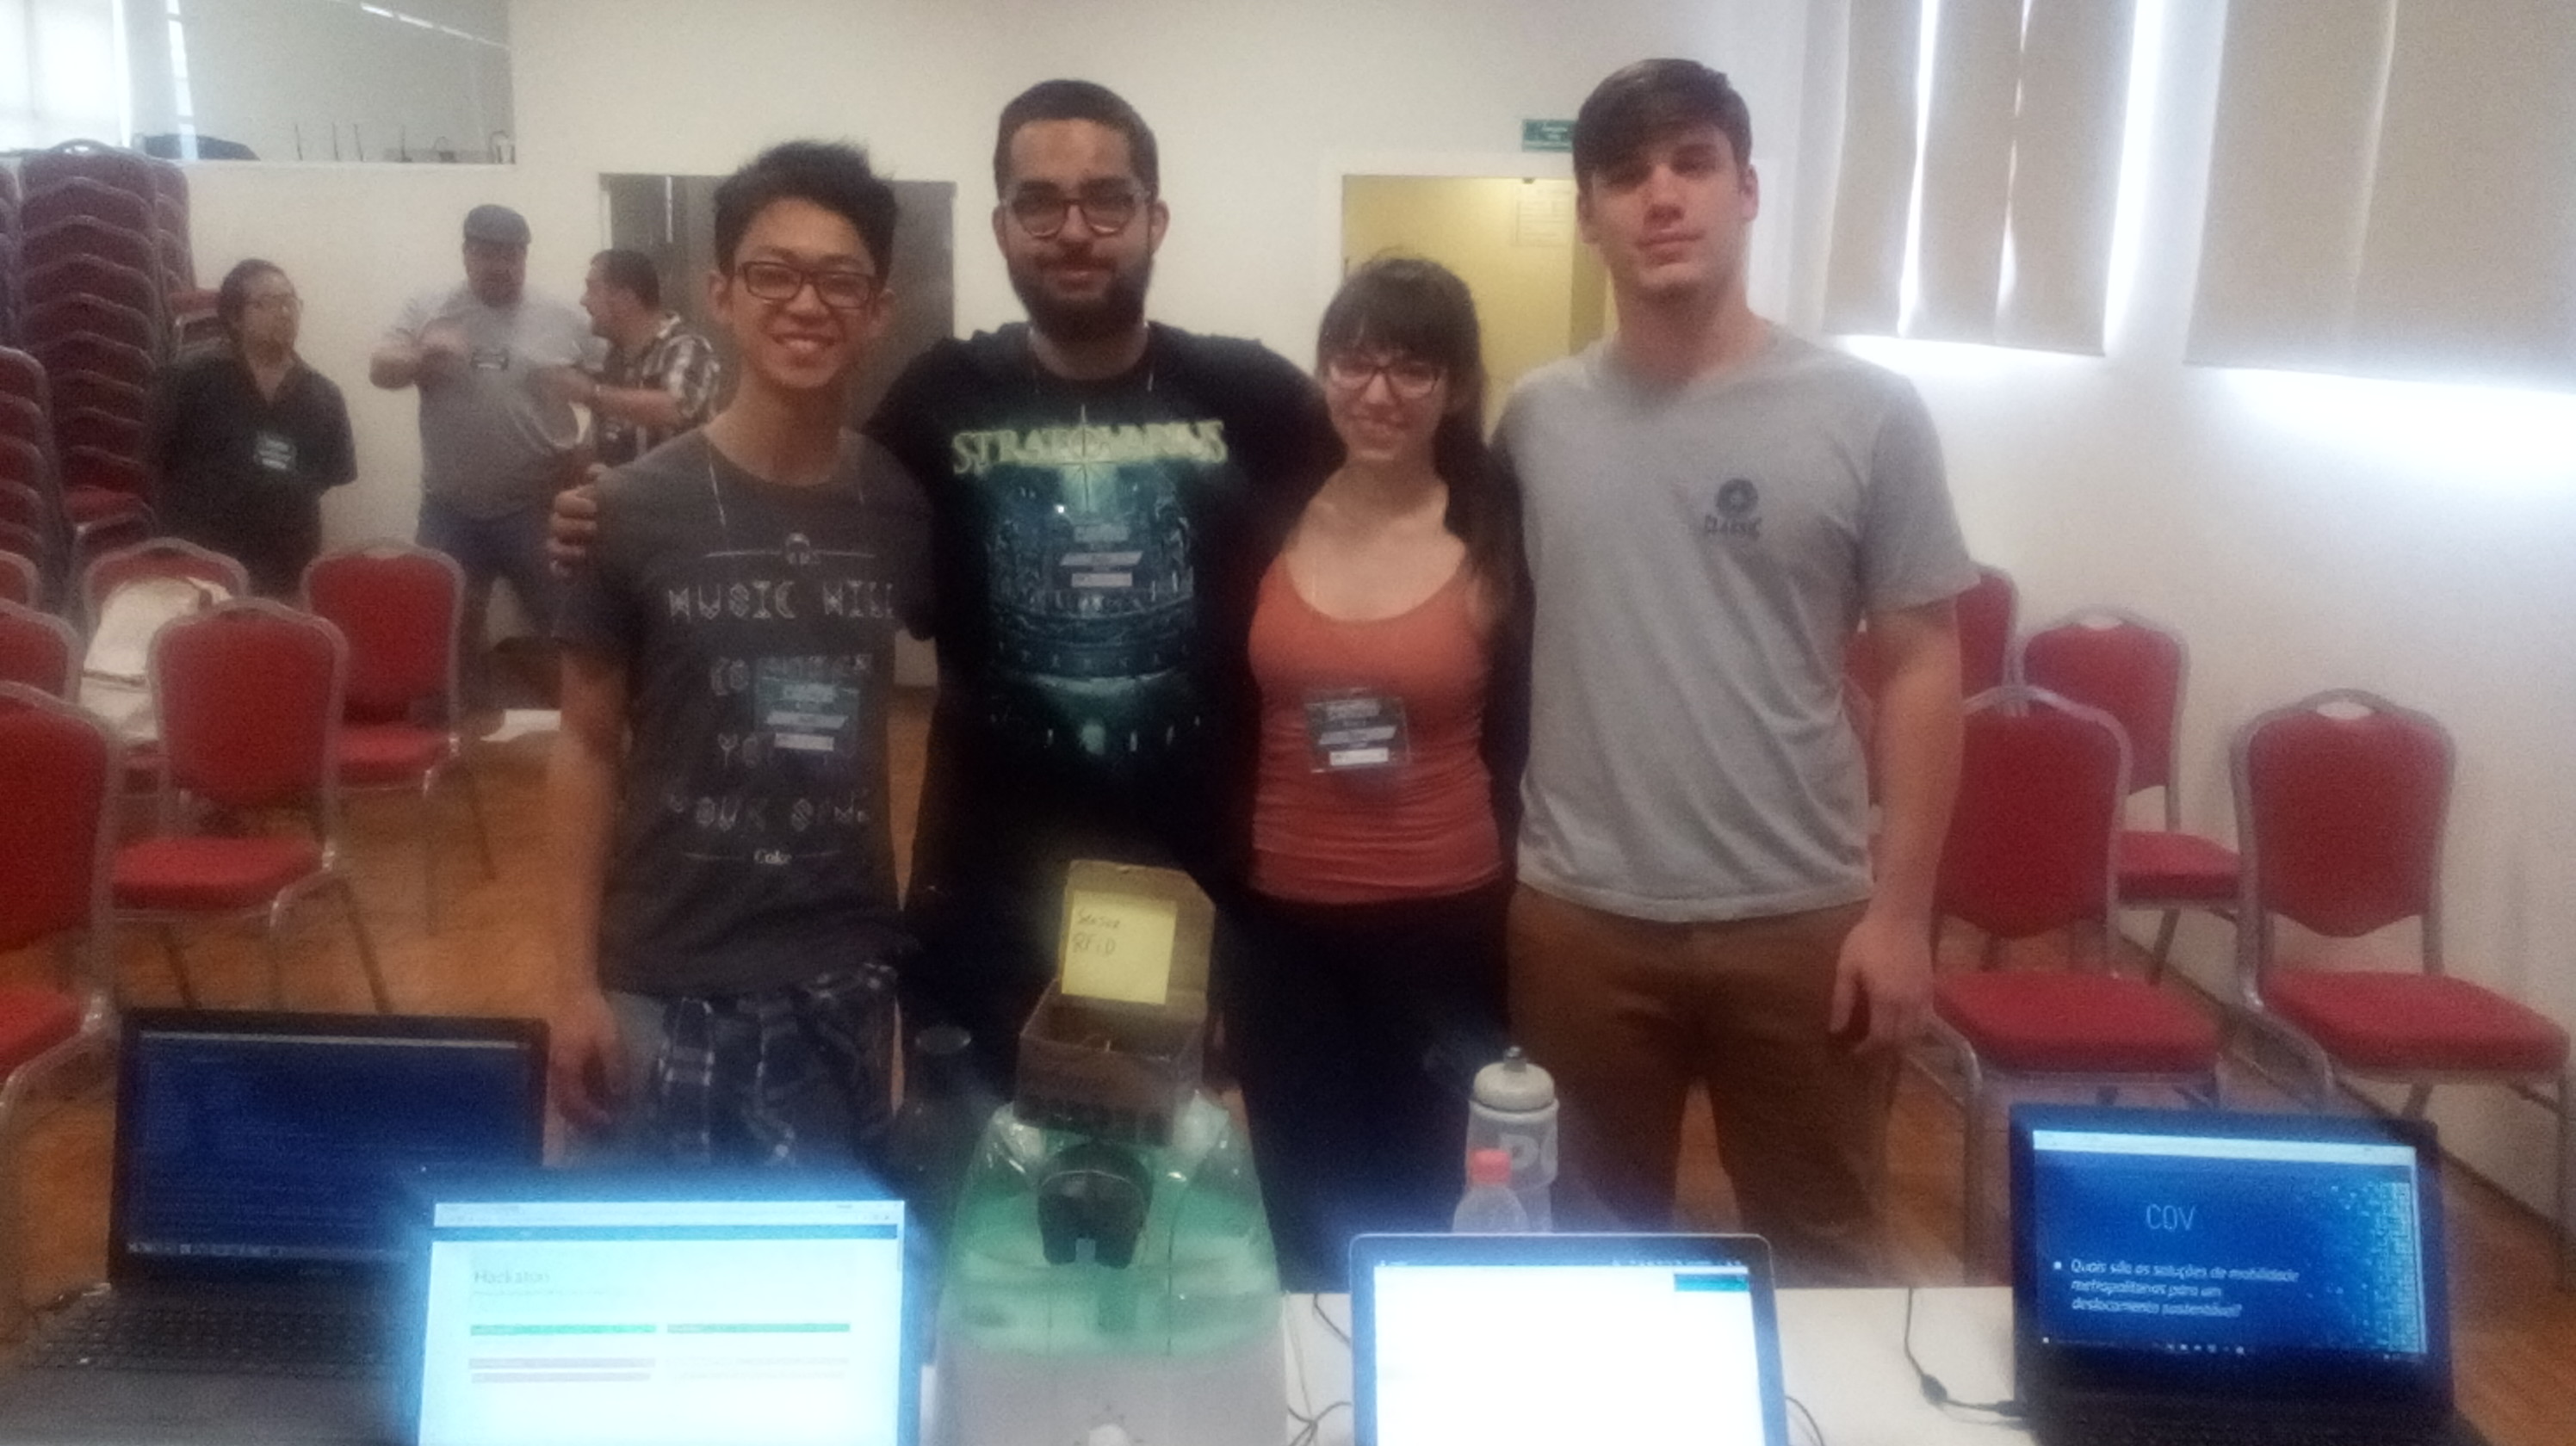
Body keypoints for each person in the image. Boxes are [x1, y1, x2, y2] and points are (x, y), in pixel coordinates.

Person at [1497, 59, 1973, 1284]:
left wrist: (1902, 915)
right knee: (1584, 1267)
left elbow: (1924, 667)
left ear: (1746, 189)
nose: (1662, 196)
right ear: (1588, 214)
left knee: (1826, 1260)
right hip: (1583, 920)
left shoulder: (1868, 412)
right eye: (1625, 176)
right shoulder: (1535, 421)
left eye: (1693, 163)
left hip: (1801, 918)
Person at [546, 142, 932, 1167]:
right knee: (646, 1264)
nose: (806, 303)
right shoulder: (625, 510)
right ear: (720, 292)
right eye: (773, 273)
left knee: (825, 1262)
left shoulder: (899, 503)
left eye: (839, 280)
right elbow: (584, 746)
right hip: (662, 979)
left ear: (878, 309)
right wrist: (570, 985)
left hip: (844, 974)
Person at [1226, 256, 1526, 1290]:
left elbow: (1525, 735)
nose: (1378, 392)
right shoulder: (1268, 516)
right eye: (1353, 362)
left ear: (1456, 387)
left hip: (1443, 928)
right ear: (1323, 372)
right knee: (1302, 1202)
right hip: (1283, 930)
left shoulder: (1496, 532)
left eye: (1412, 368)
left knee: (1424, 1203)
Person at [371, 204, 590, 684]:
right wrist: (423, 354)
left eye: (512, 256)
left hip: (535, 506)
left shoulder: (563, 317)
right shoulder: (430, 308)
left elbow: (608, 385)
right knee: (444, 636)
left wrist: (584, 457)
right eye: (488, 254)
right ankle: (463, 725)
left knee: (566, 628)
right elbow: (380, 369)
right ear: (466, 254)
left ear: (525, 257)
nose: (500, 266)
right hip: (450, 510)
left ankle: (570, 725)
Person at [146, 259, 356, 596]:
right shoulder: (188, 379)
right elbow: (156, 459)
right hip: (200, 564)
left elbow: (330, 474)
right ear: (235, 317)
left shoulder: (324, 395)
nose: (284, 313)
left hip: (285, 565)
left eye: (290, 301)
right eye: (267, 303)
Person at [553, 247, 722, 467]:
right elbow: (598, 442)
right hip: (619, 488)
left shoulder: (687, 347)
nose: (583, 301)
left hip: (679, 490)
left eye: (592, 289)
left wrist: (590, 392)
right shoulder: (614, 358)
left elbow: (675, 408)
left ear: (625, 299)